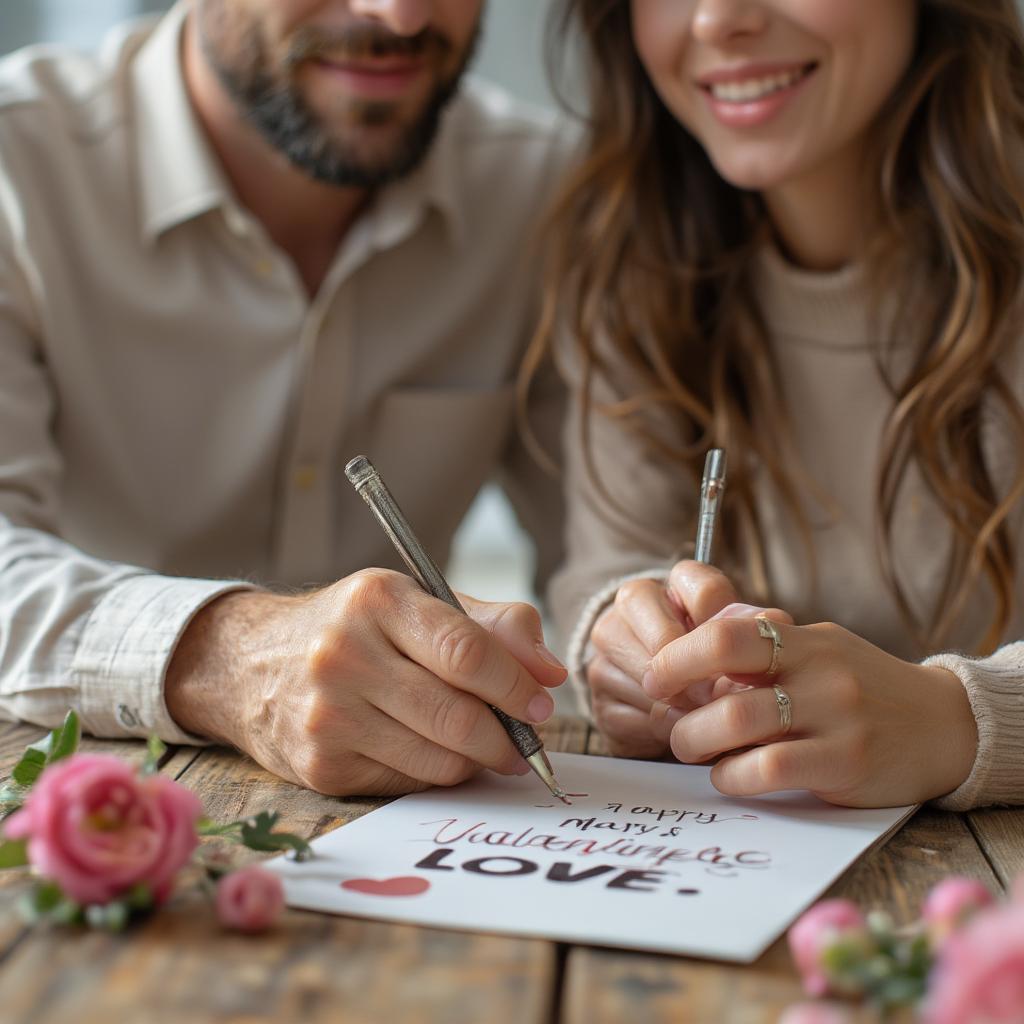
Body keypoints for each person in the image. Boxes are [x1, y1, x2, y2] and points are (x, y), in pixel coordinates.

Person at [0, 0, 575, 797]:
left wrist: (635, 637)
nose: (400, 15)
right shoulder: (16, 162)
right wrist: (222, 657)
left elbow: (605, 549)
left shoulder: (547, 191)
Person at [537, 0, 1024, 810]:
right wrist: (622, 651)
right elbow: (612, 561)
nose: (716, 21)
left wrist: (956, 721)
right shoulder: (630, 255)